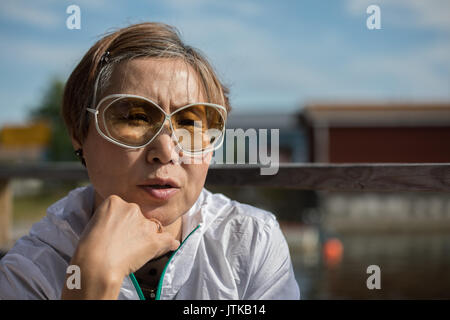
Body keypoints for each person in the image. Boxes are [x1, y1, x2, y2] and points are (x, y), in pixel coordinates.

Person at [0, 22, 300, 300]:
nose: (166, 151)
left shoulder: (251, 241)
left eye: (190, 123)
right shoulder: (29, 273)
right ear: (79, 133)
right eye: (135, 118)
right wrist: (91, 281)